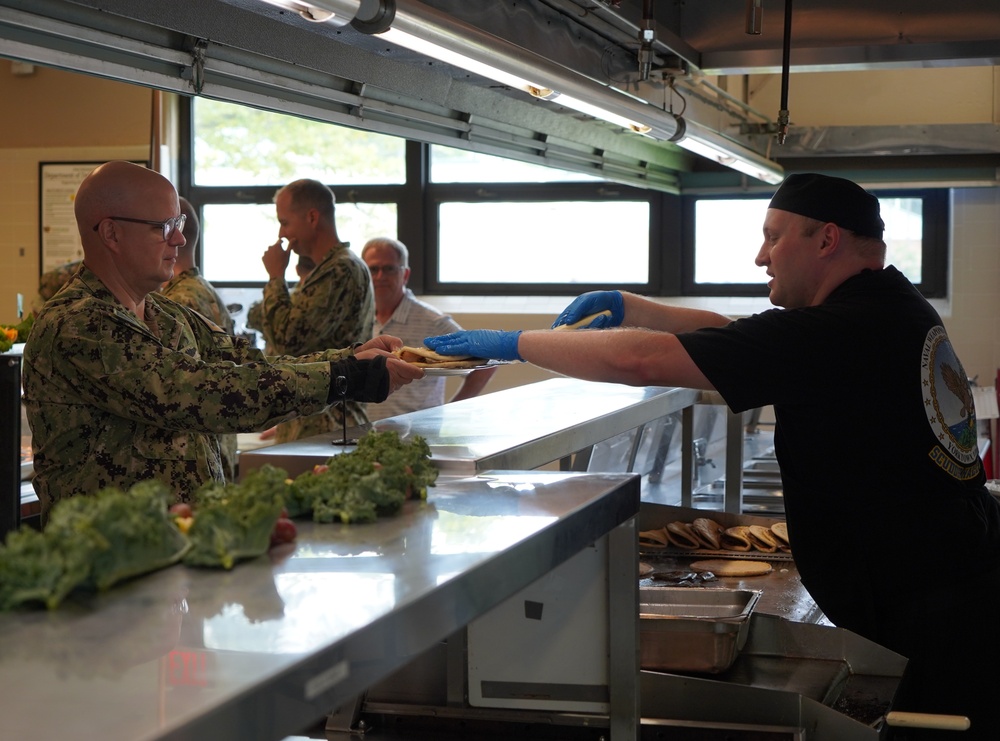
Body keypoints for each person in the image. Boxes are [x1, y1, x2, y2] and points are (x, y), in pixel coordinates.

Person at [425, 173, 1000, 739]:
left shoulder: (848, 327)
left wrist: (510, 344)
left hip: (939, 616)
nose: (760, 257)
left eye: (773, 237)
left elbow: (641, 363)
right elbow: (740, 336)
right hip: (948, 581)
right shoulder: (883, 306)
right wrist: (630, 306)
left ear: (826, 239)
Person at [22, 161, 422, 525]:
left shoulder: (168, 315)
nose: (179, 240)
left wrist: (351, 357)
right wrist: (344, 377)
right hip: (113, 562)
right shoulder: (77, 325)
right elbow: (204, 393)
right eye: (164, 226)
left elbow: (253, 366)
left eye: (178, 223)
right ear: (111, 232)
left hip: (183, 550)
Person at [245, 179, 375, 443]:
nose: (282, 234)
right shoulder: (323, 271)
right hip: (310, 422)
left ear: (312, 217)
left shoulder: (341, 270)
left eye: (285, 222)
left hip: (330, 426)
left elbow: (288, 339)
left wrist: (275, 278)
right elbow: (259, 316)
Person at [361, 237, 495, 422]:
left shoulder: (433, 321)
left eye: (389, 269)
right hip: (362, 435)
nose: (380, 276)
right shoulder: (357, 318)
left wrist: (451, 410)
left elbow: (484, 365)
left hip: (417, 437)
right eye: (373, 269)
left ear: (405, 275)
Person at [158, 197, 238, 480]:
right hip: (217, 444)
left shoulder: (181, 299)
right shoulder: (201, 289)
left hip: (199, 452)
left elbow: (183, 389)